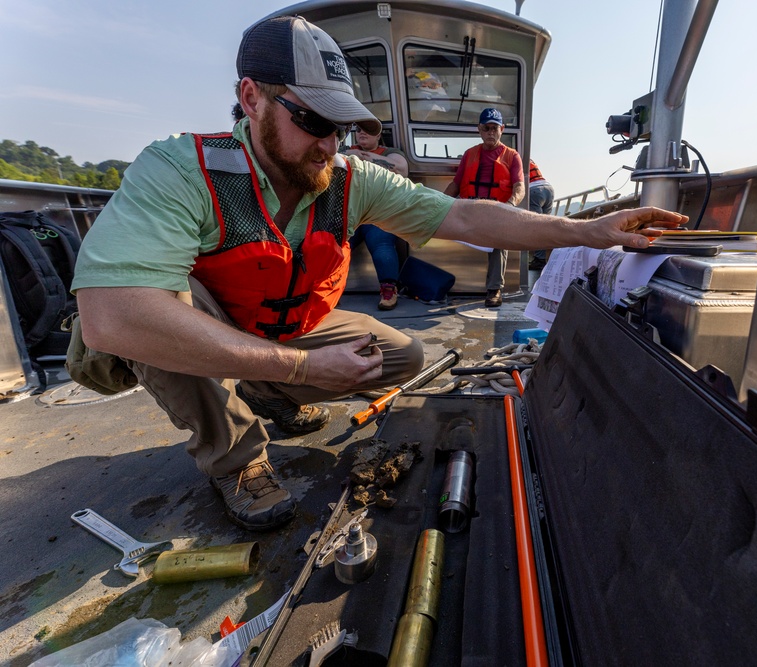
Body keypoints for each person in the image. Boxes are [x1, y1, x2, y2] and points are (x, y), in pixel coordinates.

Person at [72, 15, 687, 531]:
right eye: (313, 121)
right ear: (252, 96)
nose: (328, 146)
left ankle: (263, 389)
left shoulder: (349, 180)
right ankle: (236, 458)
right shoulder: (180, 169)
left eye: (339, 128)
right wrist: (305, 367)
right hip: (213, 331)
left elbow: (466, 216)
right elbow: (114, 314)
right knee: (156, 311)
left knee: (402, 357)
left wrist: (586, 232)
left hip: (277, 331)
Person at [443, 108, 525, 308]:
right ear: (479, 129)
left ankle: (494, 289)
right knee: (431, 227)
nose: (491, 132)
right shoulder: (469, 154)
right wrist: (439, 203)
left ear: (502, 129)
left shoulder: (512, 156)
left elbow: (519, 187)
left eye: (494, 128)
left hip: (495, 212)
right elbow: (456, 184)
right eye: (486, 128)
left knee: (499, 239)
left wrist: (510, 206)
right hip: (469, 210)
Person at [343, 126, 409, 310]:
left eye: (368, 130)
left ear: (379, 134)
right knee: (334, 244)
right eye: (359, 130)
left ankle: (389, 290)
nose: (362, 133)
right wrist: (353, 154)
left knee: (381, 245)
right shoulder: (344, 151)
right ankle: (325, 289)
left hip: (377, 214)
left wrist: (364, 158)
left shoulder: (391, 153)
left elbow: (402, 169)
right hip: (351, 214)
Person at [527, 158, 555, 270]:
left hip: (534, 190)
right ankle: (545, 258)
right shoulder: (529, 159)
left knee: (537, 226)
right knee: (544, 226)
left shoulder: (513, 159)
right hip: (548, 189)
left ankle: (539, 260)